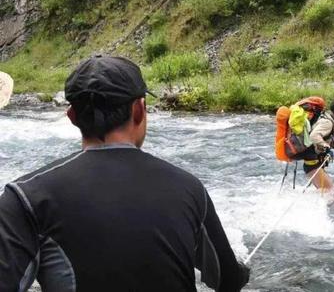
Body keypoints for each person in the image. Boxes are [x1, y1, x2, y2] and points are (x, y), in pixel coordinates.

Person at [0, 56, 250, 292]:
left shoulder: (25, 196)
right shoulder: (190, 188)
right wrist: (241, 271)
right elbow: (228, 281)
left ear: (72, 116)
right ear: (140, 110)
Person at [304, 98, 334, 192]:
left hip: (315, 163)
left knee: (327, 193)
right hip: (312, 163)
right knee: (331, 193)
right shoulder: (328, 122)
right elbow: (313, 136)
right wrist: (327, 148)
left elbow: (329, 136)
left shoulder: (330, 119)